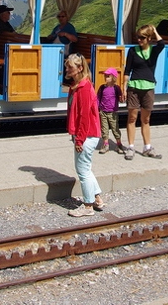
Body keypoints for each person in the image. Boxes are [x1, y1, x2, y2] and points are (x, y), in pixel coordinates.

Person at [65, 52, 105, 217]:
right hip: (86, 134)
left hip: (86, 135)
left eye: (71, 67)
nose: (67, 70)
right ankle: (97, 199)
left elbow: (84, 118)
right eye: (67, 66)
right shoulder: (79, 86)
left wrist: (79, 140)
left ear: (80, 68)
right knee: (86, 168)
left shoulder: (84, 88)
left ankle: (87, 206)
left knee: (82, 171)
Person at [123, 24, 165, 160]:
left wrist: (154, 30)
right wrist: (124, 88)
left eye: (142, 37)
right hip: (134, 87)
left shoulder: (154, 51)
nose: (139, 40)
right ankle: (130, 147)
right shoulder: (132, 51)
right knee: (132, 118)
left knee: (145, 119)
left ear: (149, 39)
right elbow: (127, 70)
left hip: (148, 88)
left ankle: (147, 147)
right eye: (138, 37)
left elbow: (162, 43)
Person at [97, 67, 125, 154]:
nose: (106, 78)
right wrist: (97, 108)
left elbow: (120, 99)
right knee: (104, 129)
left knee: (115, 129)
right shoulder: (102, 88)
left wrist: (122, 99)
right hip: (103, 112)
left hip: (113, 113)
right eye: (105, 76)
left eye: (108, 76)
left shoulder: (116, 88)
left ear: (113, 77)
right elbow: (98, 98)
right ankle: (105, 144)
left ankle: (119, 144)